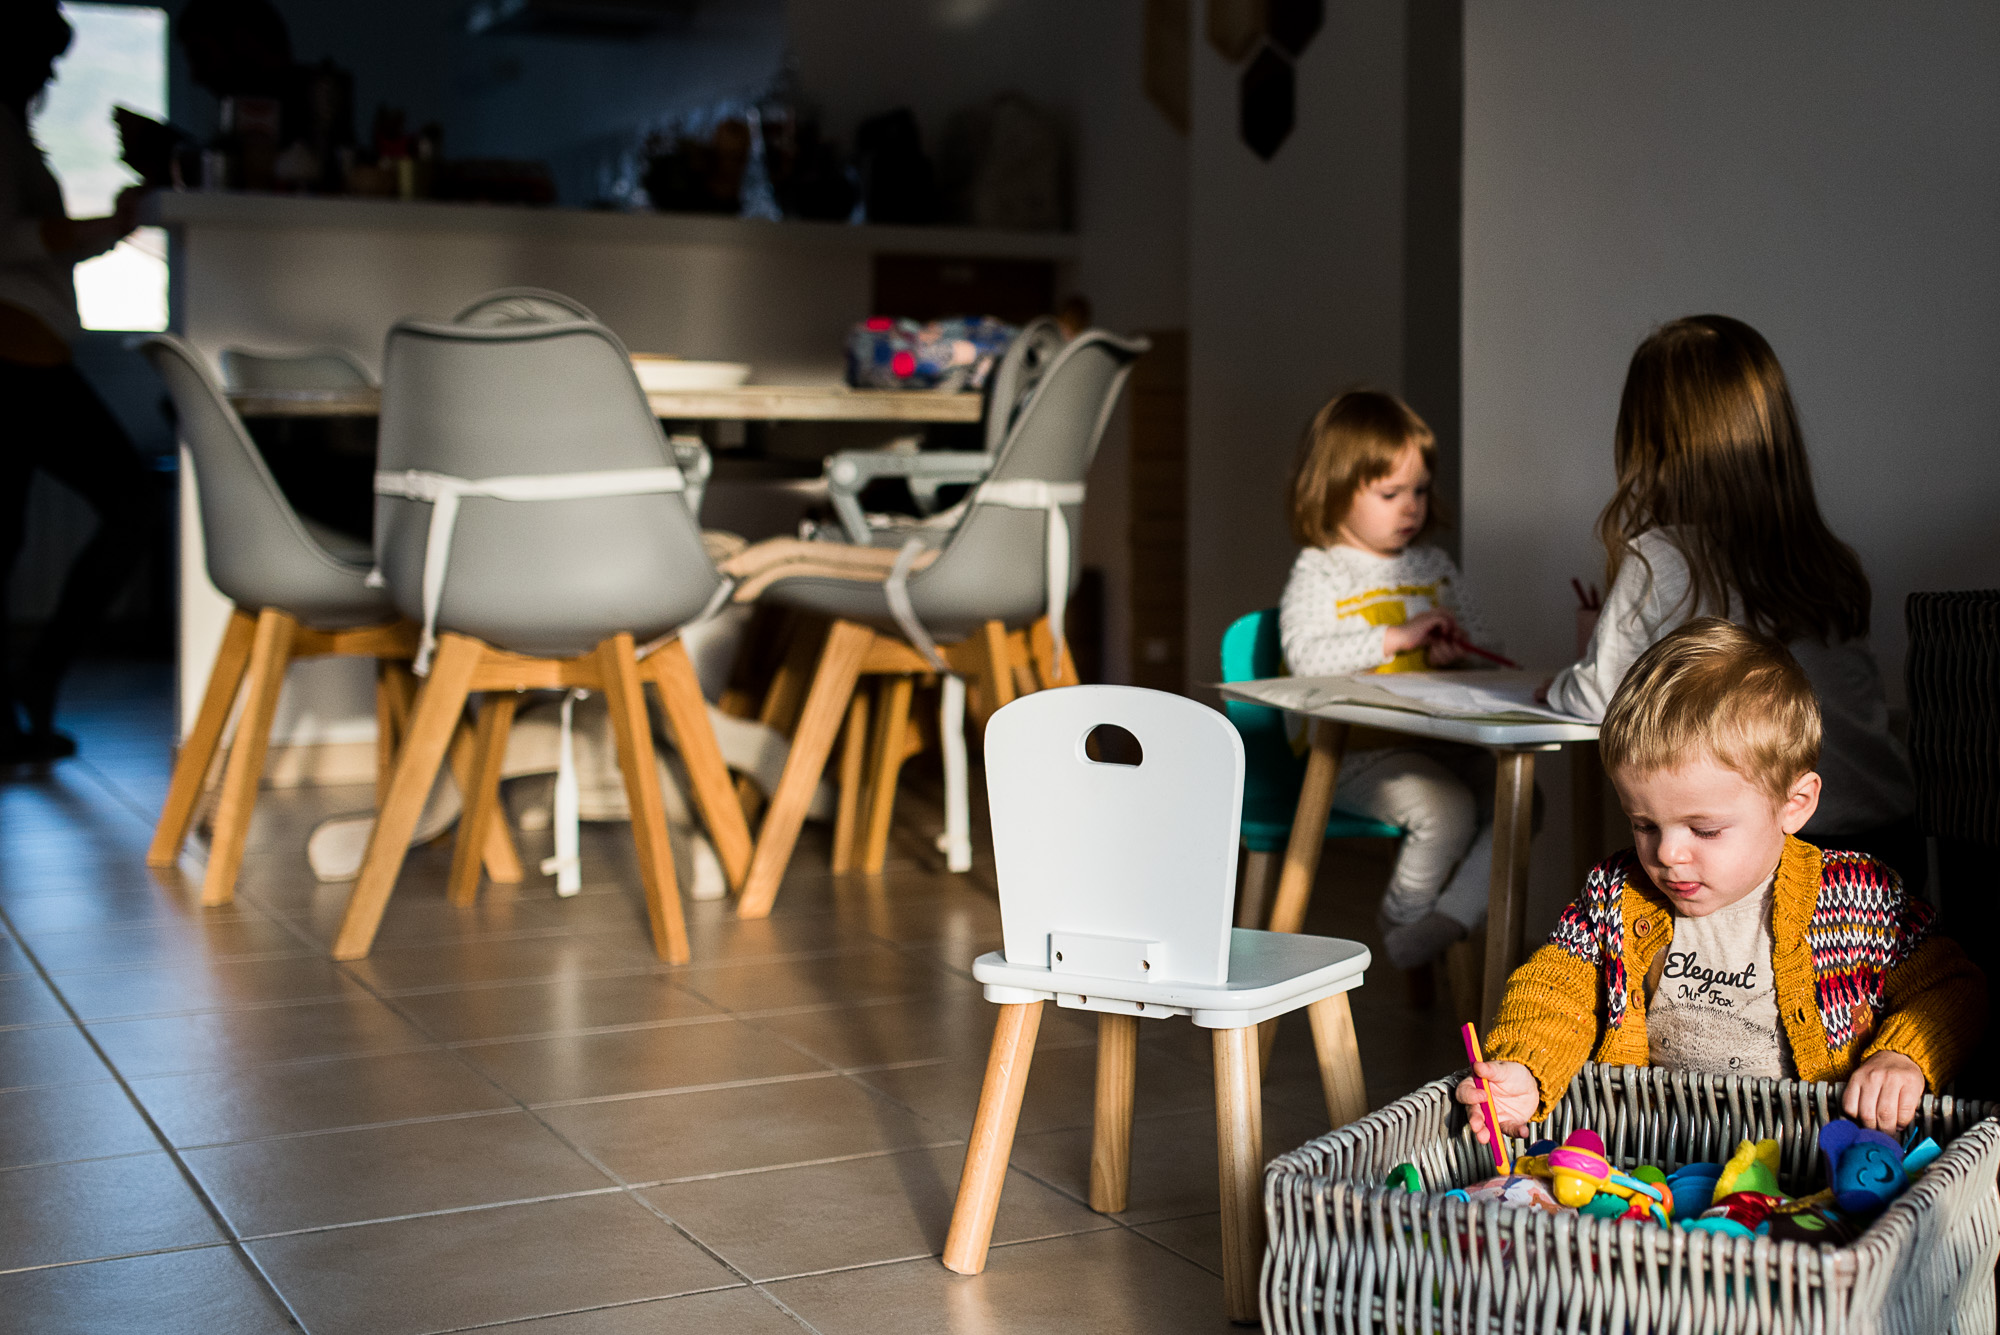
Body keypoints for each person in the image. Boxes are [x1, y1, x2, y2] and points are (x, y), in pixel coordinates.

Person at [1464, 620, 1983, 1135]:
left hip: (1809, 1155)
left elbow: (1951, 987)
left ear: (1794, 805)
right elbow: (1558, 987)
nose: (1666, 853)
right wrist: (1525, 1067)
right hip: (1655, 1157)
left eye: (1704, 829)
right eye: (1643, 824)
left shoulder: (1859, 897)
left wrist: (1904, 1057)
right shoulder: (1616, 894)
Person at [1546, 315, 1920, 885]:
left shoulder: (1663, 558)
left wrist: (1553, 686)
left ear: (1648, 442)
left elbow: (1600, 700)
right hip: (1890, 840)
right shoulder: (1825, 560)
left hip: (1781, 853)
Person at [1277, 390, 1502, 971]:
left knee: (1523, 801)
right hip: (1351, 754)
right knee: (1448, 809)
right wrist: (1392, 639)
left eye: (1420, 491)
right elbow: (1304, 655)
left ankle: (1444, 921)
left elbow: (1485, 646)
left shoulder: (1435, 566)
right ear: (1335, 487)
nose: (1411, 508)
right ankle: (1404, 925)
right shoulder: (1321, 567)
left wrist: (1460, 656)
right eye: (1390, 493)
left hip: (1438, 743)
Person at [1, 1, 157, 761]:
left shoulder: (14, 132)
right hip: (12, 355)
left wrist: (108, 231)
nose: (52, 72)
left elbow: (45, 250)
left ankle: (30, 685)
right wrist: (114, 225)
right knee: (131, 505)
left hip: (34, 351)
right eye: (43, 55)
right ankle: (30, 682)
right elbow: (14, 240)